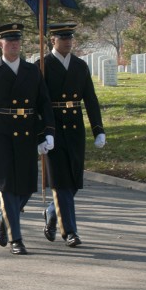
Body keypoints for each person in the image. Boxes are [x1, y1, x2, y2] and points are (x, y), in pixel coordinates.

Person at [0, 23, 55, 255]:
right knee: (7, 185)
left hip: (28, 130)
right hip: (3, 131)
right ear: (0, 44)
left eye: (17, 41)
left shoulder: (32, 71)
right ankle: (16, 239)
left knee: (27, 185)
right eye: (9, 41)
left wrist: (48, 132)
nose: (14, 45)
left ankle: (5, 216)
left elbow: (43, 103)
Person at [38, 23, 106, 248]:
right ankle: (70, 232)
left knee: (74, 180)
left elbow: (91, 99)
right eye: (62, 37)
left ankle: (51, 211)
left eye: (70, 37)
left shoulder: (79, 66)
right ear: (52, 40)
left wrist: (98, 129)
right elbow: (38, 102)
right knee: (61, 182)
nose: (67, 41)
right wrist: (41, 134)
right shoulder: (43, 65)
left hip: (75, 128)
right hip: (53, 128)